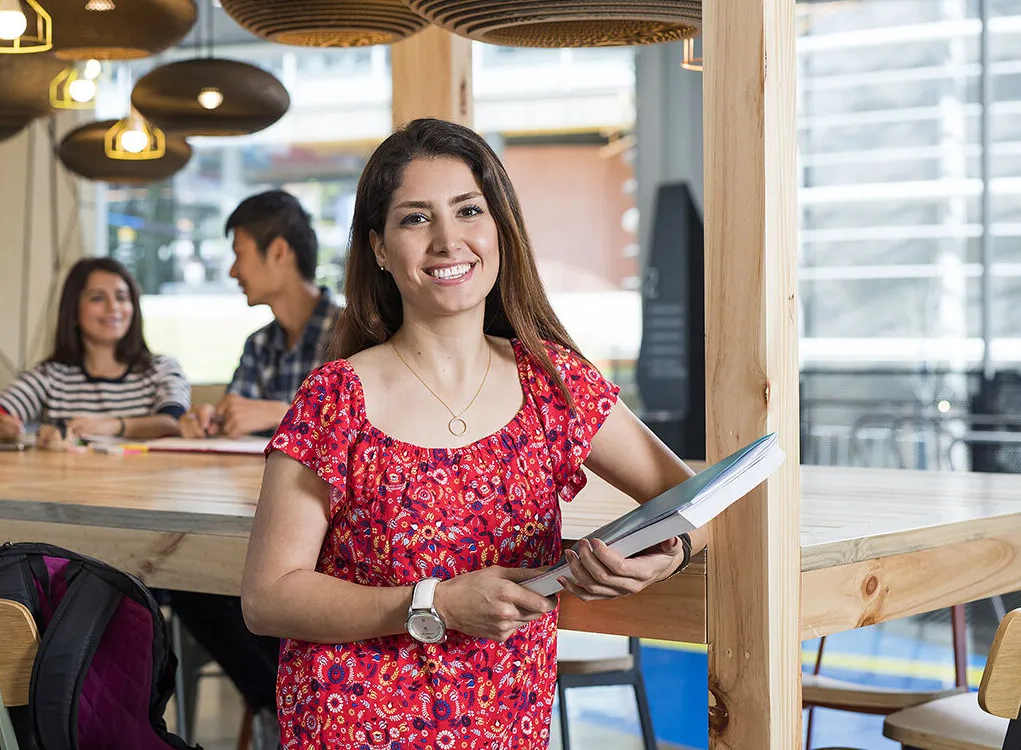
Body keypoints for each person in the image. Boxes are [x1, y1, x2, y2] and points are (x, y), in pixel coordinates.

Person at [240, 119, 710, 748]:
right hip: (353, 724)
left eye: (468, 211)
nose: (447, 240)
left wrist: (662, 559)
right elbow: (268, 596)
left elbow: (698, 502)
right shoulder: (335, 398)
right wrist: (431, 603)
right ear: (379, 248)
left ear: (499, 230)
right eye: (415, 219)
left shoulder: (554, 384)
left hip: (505, 722)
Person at [0, 257, 190, 447]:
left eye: (122, 297)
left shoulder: (162, 369)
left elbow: (175, 422)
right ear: (73, 310)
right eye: (98, 298)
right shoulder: (51, 376)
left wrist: (112, 426)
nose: (114, 308)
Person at [179, 190, 343, 439]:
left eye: (238, 254)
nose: (232, 272)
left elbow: (373, 438)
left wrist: (285, 415)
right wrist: (210, 420)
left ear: (278, 251)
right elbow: (236, 416)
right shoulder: (259, 344)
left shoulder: (356, 333)